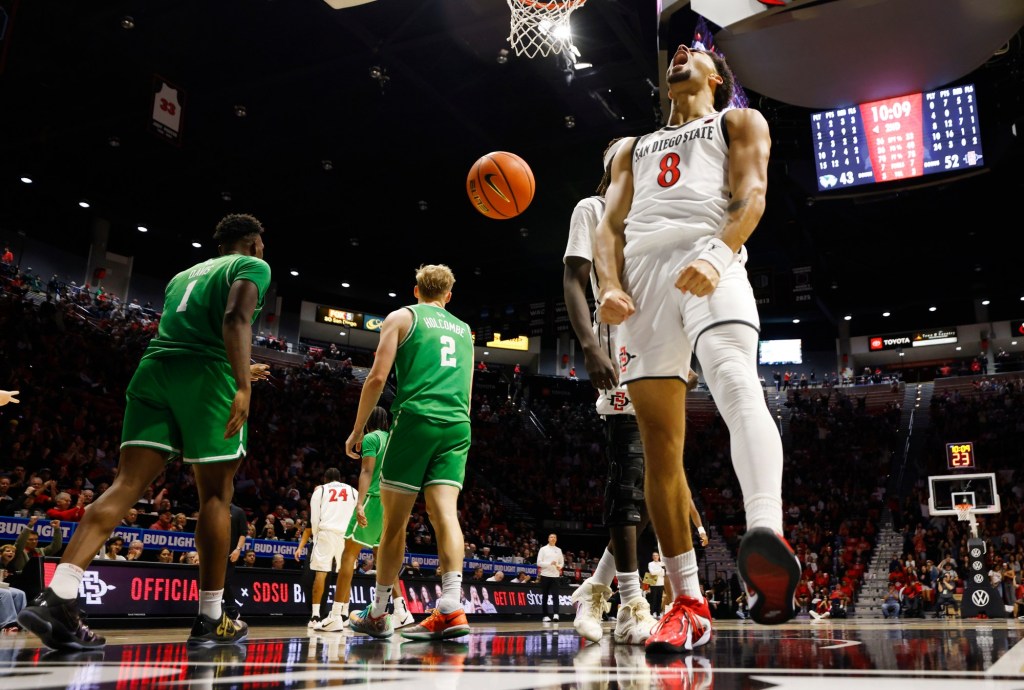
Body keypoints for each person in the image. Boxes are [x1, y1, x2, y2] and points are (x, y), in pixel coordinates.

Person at [593, 43, 799, 652]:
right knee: (659, 448)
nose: (680, 50)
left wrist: (718, 251)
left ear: (715, 76)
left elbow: (752, 195)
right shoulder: (629, 147)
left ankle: (766, 534)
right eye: (676, 49)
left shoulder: (737, 120)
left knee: (736, 382)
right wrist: (607, 284)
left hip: (711, 255)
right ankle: (688, 603)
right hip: (641, 286)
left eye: (696, 50)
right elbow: (608, 225)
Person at [19, 213, 271, 650]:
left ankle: (56, 596)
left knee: (124, 485)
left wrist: (237, 367)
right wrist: (243, 385)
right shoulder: (252, 266)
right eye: (262, 244)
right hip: (206, 381)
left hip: (155, 372)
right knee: (215, 496)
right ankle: (212, 617)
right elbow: (234, 319)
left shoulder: (182, 276)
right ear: (253, 243)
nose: (264, 251)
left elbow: (187, 337)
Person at [347, 264, 473, 642]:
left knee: (395, 525)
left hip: (416, 420)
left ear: (415, 290)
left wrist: (357, 430)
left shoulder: (402, 316)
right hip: (458, 424)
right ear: (449, 296)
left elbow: (377, 378)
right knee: (445, 515)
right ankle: (451, 606)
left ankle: (379, 612)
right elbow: (467, 391)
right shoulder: (465, 331)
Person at [317, 407, 414, 632]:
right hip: (392, 503)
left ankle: (335, 615)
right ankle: (401, 611)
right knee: (384, 560)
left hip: (373, 500)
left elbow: (366, 471)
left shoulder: (371, 438)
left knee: (348, 555)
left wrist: (359, 503)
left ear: (367, 422)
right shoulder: (392, 439)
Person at [305, 467, 358, 628]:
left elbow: (314, 517)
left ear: (325, 479)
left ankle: (315, 616)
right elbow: (358, 514)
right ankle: (344, 613)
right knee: (346, 574)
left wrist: (315, 535)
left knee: (320, 573)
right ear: (340, 478)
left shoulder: (320, 490)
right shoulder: (353, 491)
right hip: (346, 534)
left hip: (326, 532)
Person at [223, 502, 248, 621]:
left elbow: (243, 533)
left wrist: (238, 549)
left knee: (223, 581)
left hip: (230, 553)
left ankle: (231, 610)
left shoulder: (238, 511)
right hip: (215, 552)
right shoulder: (214, 509)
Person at [537, 533, 564, 623]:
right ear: (548, 539)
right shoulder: (543, 549)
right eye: (551, 537)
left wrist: (559, 566)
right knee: (545, 596)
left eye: (554, 537)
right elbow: (539, 563)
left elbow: (561, 562)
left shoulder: (559, 550)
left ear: (556, 539)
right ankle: (545, 615)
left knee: (555, 596)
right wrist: (549, 563)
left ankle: (556, 614)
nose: (553, 538)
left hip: (555, 576)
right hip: (545, 575)